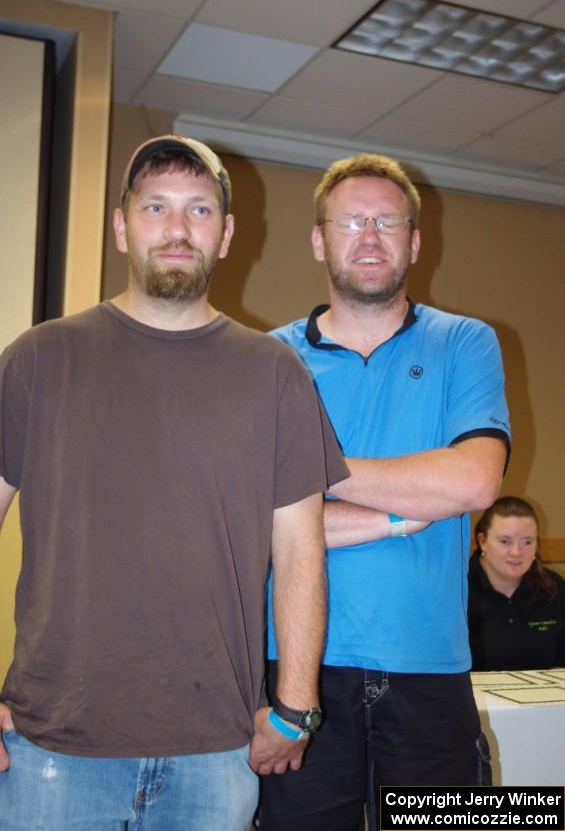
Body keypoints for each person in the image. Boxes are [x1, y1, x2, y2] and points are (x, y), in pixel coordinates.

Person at [0, 134, 349, 831]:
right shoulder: (40, 356)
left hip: (215, 754)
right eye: (155, 206)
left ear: (225, 236)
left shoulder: (273, 373)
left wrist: (294, 705)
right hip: (53, 748)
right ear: (122, 225)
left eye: (198, 210)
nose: (177, 228)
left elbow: (300, 552)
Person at [256, 153, 511, 831]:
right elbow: (253, 518)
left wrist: (307, 476)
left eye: (387, 222)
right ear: (318, 240)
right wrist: (401, 515)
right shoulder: (266, 360)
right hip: (298, 677)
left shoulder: (466, 342)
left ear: (414, 242)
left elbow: (476, 480)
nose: (368, 236)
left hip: (431, 673)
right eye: (349, 221)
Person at [469, 496, 565, 671]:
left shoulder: (554, 588)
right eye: (505, 542)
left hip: (543, 695)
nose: (516, 552)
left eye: (527, 542)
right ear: (482, 541)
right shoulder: (456, 589)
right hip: (473, 696)